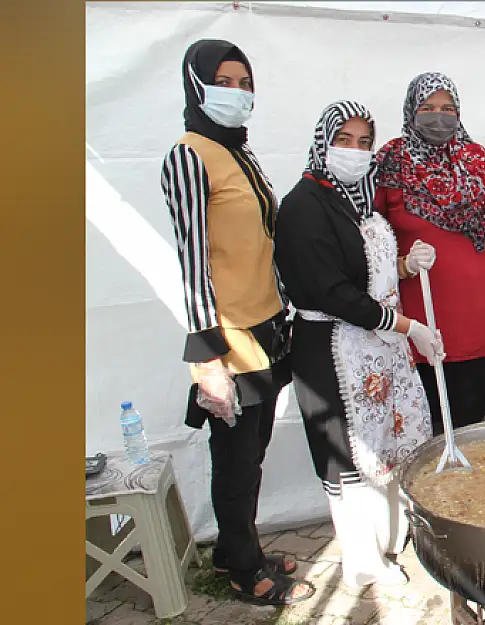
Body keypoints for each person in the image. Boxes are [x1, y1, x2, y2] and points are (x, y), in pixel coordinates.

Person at [160, 39, 314, 604]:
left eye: (246, 83)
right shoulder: (188, 155)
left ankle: (233, 547)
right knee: (235, 459)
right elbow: (192, 261)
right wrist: (207, 359)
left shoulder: (238, 153)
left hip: (269, 326)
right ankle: (244, 571)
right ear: (198, 85)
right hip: (230, 335)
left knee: (254, 451)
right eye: (225, 81)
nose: (238, 93)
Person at [274, 100, 442, 589]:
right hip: (332, 348)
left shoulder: (355, 200)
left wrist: (408, 265)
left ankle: (382, 540)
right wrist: (408, 327)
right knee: (346, 455)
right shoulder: (304, 205)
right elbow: (333, 292)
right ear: (323, 142)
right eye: (343, 140)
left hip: (374, 346)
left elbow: (366, 272)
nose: (355, 151)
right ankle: (360, 561)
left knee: (379, 445)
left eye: (364, 142)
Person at [375, 72, 485, 434]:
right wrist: (398, 268)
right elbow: (371, 239)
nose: (438, 116)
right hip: (426, 324)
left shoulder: (478, 161)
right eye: (428, 108)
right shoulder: (391, 162)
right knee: (439, 431)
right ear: (411, 110)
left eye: (448, 108)